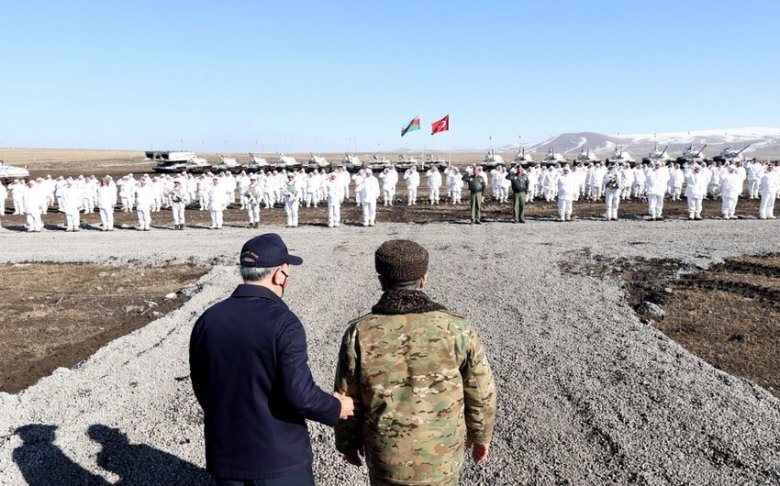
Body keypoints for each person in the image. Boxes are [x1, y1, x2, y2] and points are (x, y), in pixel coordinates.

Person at [190, 233, 354, 485]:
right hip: (278, 462)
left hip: (226, 458)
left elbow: (202, 387)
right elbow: (300, 393)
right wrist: (336, 408)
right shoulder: (283, 322)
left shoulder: (208, 319)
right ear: (279, 275)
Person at [334, 239, 497, 486]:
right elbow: (482, 391)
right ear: (424, 280)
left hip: (386, 459)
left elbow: (346, 396)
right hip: (442, 457)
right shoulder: (456, 328)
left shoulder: (360, 332)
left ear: (381, 282)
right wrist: (481, 435)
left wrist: (347, 443)